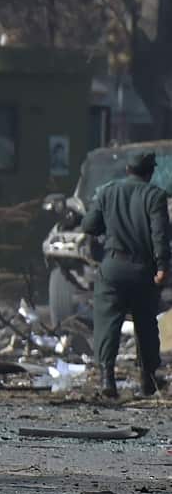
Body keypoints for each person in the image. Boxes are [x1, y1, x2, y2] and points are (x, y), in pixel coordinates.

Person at [81, 150, 169, 398]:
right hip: (143, 271)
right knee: (146, 326)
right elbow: (160, 235)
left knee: (107, 323)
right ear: (150, 172)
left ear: (128, 170)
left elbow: (89, 225)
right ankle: (149, 381)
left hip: (112, 267)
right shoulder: (155, 195)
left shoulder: (107, 192)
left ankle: (108, 378)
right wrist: (162, 267)